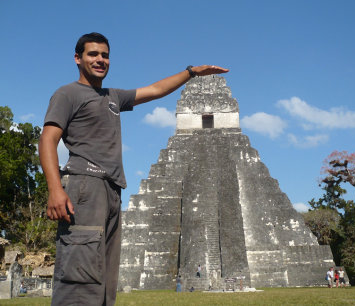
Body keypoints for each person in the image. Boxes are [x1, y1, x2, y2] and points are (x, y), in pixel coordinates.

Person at [39, 32, 228, 306]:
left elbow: (154, 90)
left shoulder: (113, 96)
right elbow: (47, 138)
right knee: (80, 273)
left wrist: (191, 73)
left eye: (105, 55)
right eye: (93, 54)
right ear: (77, 59)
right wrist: (55, 189)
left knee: (103, 279)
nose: (100, 60)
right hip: (85, 185)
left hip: (112, 190)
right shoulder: (67, 93)